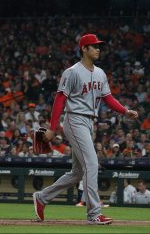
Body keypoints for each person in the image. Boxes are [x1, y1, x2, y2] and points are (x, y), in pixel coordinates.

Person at [32, 34, 138, 225]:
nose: (98, 49)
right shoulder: (72, 72)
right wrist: (52, 129)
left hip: (89, 122)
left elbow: (107, 98)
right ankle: (94, 213)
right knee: (92, 164)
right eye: (94, 46)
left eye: (99, 46)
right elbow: (60, 100)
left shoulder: (100, 73)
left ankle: (42, 197)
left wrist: (125, 111)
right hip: (75, 120)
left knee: (77, 173)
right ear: (84, 49)